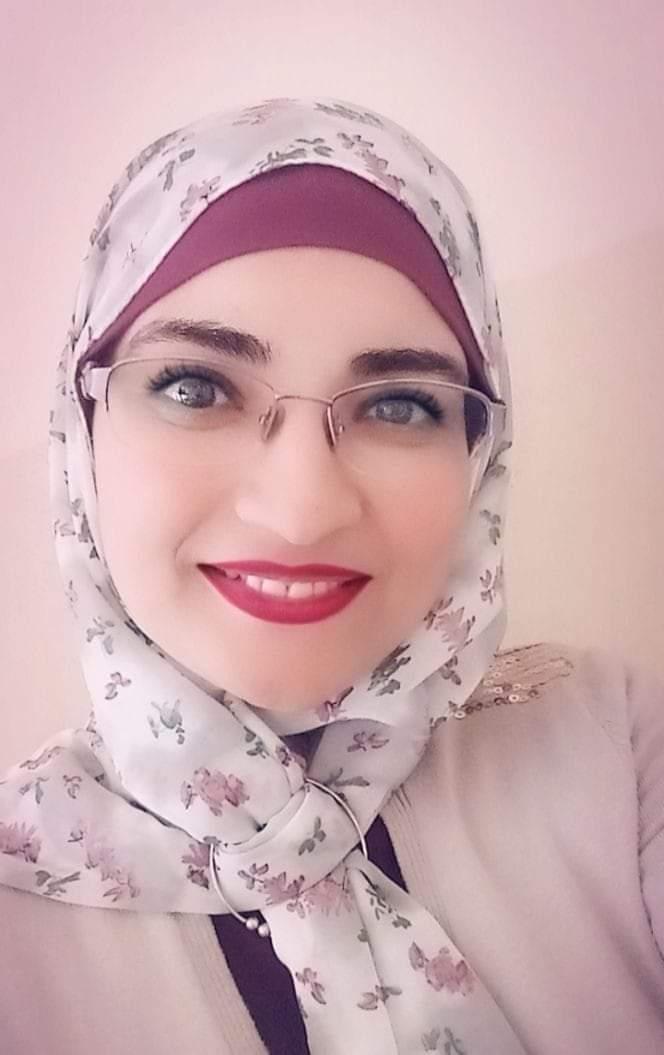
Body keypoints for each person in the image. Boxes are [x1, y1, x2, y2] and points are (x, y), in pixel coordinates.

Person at [0, 95, 663, 1055]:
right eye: (196, 386)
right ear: (84, 430)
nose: (303, 508)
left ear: (479, 452)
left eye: (399, 404)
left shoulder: (612, 747)